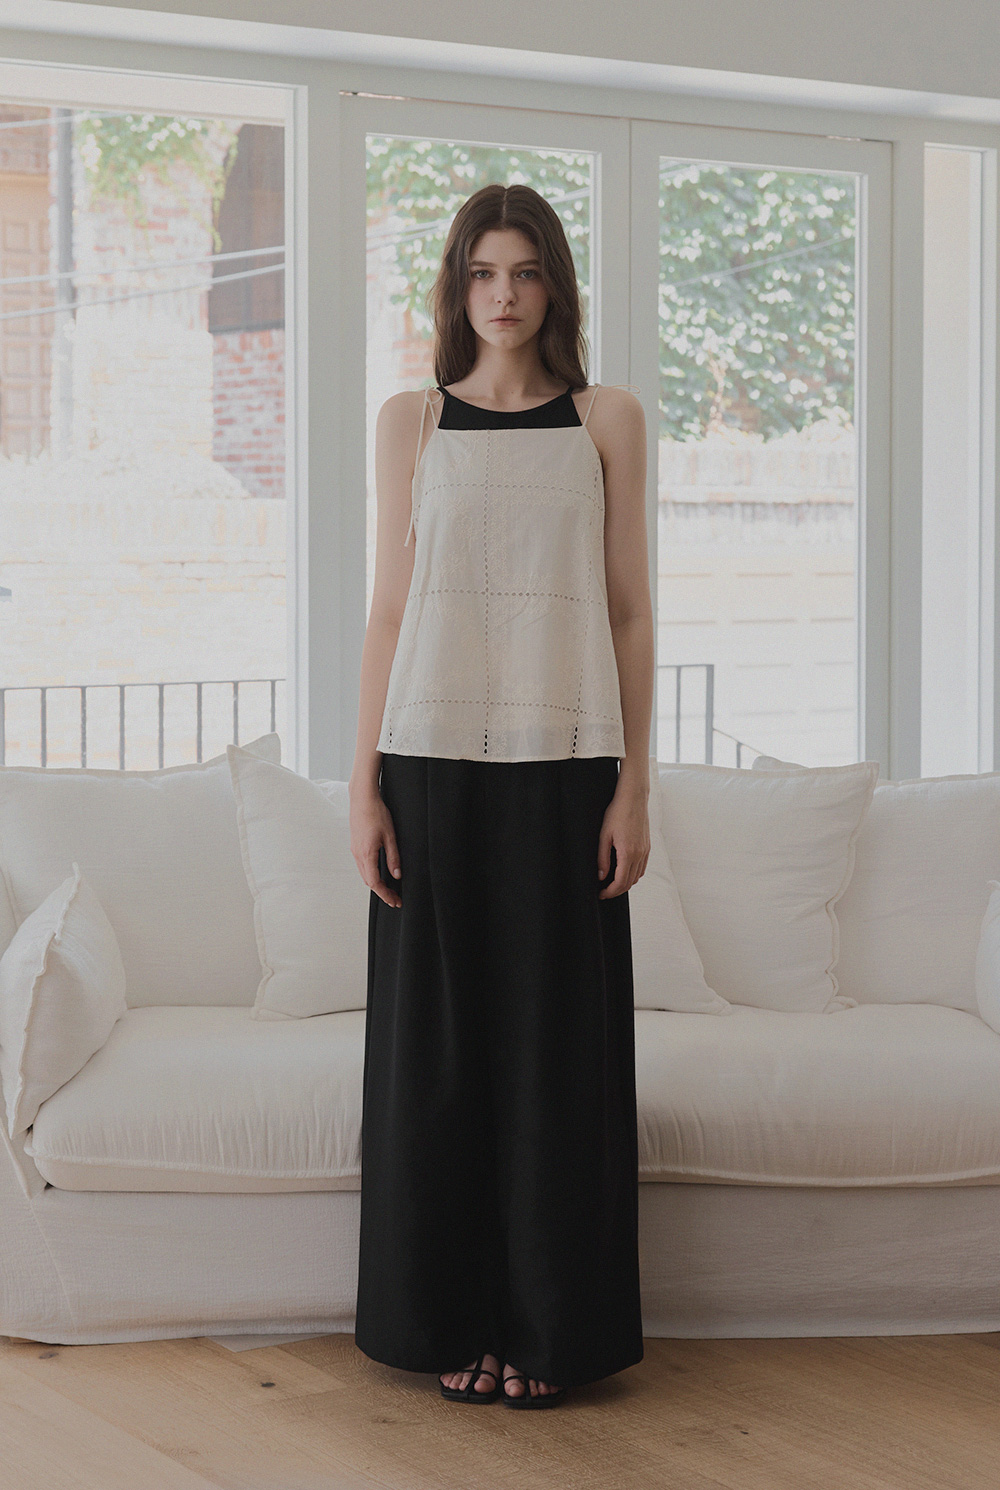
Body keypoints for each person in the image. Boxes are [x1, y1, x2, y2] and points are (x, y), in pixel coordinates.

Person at [349, 182, 654, 1408]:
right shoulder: (411, 420)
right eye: (483, 272)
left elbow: (628, 611)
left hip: (566, 769)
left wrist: (635, 786)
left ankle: (549, 1330)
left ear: (554, 285)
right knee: (439, 1061)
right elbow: (388, 611)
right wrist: (362, 785)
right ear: (456, 286)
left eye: (525, 272)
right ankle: (452, 1320)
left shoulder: (607, 418)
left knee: (555, 1062)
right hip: (427, 766)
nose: (504, 295)